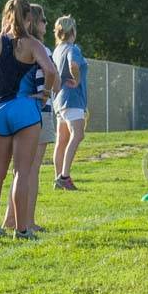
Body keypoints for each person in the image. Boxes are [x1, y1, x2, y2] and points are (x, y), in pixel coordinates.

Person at [0, 0, 56, 239]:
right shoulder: (32, 44)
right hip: (25, 108)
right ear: (28, 18)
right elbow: (51, 70)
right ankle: (22, 229)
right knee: (21, 173)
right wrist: (45, 93)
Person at [52, 15, 86, 190]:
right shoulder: (73, 48)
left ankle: (58, 177)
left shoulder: (57, 49)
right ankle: (64, 176)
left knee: (62, 140)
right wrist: (78, 80)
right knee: (78, 134)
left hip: (59, 98)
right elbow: (73, 64)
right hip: (72, 97)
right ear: (72, 31)